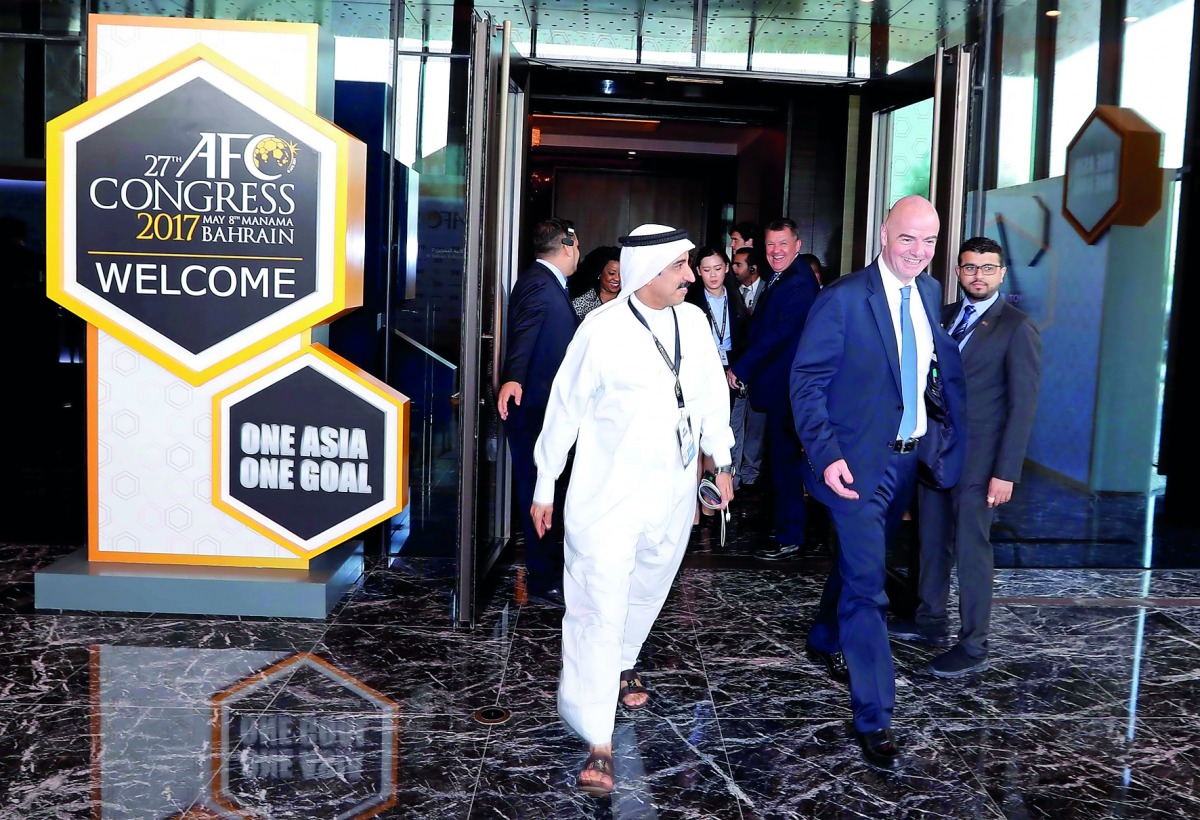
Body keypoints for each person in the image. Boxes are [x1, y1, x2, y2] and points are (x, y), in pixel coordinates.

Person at [530, 224, 734, 796]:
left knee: (648, 587)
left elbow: (711, 395)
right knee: (597, 602)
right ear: (649, 272)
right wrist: (545, 483)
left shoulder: (693, 322)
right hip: (605, 497)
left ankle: (622, 662)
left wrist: (721, 463)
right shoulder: (601, 329)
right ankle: (597, 734)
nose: (691, 277)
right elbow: (564, 409)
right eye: (681, 269)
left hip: (670, 492)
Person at [791, 194, 966, 771]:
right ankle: (875, 716)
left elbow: (930, 374)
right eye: (907, 238)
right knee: (870, 588)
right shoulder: (841, 299)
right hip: (854, 467)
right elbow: (808, 383)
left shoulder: (932, 294)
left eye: (929, 241)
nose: (918, 251)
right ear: (883, 235)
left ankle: (822, 635)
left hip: (906, 462)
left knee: (857, 564)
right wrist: (826, 455)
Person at [889, 236, 1041, 677]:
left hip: (981, 461)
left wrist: (1006, 472)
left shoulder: (1016, 327)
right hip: (936, 453)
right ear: (958, 271)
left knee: (972, 549)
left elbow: (1023, 406)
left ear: (1001, 274)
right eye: (970, 267)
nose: (979, 275)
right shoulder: (944, 317)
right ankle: (930, 619)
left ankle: (974, 644)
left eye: (987, 268)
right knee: (931, 539)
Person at [497, 218, 582, 607]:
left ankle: (550, 573)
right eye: (576, 245)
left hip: (548, 409)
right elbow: (524, 334)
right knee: (537, 493)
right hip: (534, 410)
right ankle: (544, 580)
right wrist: (513, 378)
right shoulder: (538, 283)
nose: (578, 252)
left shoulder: (549, 283)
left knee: (547, 493)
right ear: (568, 245)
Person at [728, 218, 820, 560]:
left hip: (788, 388)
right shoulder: (782, 278)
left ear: (797, 245)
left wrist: (742, 367)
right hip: (778, 386)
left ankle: (789, 536)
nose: (775, 251)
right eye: (769, 245)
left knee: (784, 463)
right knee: (776, 462)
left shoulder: (797, 282)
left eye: (782, 244)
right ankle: (781, 526)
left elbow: (778, 335)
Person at [686, 245, 750, 503]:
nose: (713, 275)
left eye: (717, 269)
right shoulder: (690, 302)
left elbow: (745, 339)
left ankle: (713, 501)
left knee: (719, 433)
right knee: (695, 439)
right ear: (698, 272)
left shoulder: (735, 299)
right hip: (698, 373)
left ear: (726, 269)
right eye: (706, 270)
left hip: (730, 372)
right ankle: (694, 507)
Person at [729, 246, 768, 491]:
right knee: (734, 424)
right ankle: (733, 476)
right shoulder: (731, 292)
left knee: (756, 427)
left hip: (761, 368)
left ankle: (751, 475)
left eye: (738, 265)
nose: (733, 269)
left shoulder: (768, 290)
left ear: (752, 268)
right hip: (737, 368)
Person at [571, 245, 621, 319]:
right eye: (611, 273)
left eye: (621, 274)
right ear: (599, 273)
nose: (617, 278)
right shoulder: (583, 302)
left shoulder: (630, 298)